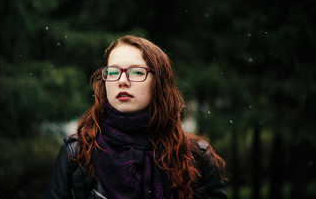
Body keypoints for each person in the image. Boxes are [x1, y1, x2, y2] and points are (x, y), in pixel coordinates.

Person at [44, 35, 227, 199]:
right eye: (113, 72)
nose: (123, 80)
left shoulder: (195, 158)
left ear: (159, 83)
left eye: (137, 72)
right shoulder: (78, 154)